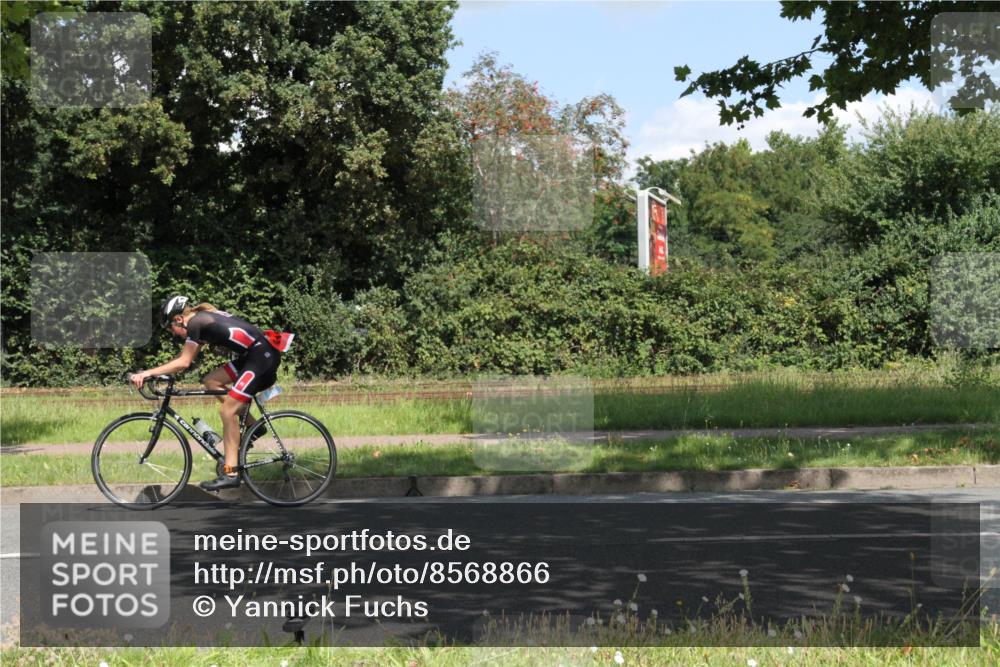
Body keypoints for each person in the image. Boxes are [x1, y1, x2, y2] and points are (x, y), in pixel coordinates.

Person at [130, 296, 280, 491]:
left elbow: (184, 362)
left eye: (170, 329)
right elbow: (184, 359)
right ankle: (253, 426)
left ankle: (231, 472)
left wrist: (148, 373)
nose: (173, 334)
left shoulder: (196, 322)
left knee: (228, 412)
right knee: (212, 381)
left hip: (261, 358)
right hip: (255, 355)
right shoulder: (201, 320)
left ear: (178, 320)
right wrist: (157, 371)